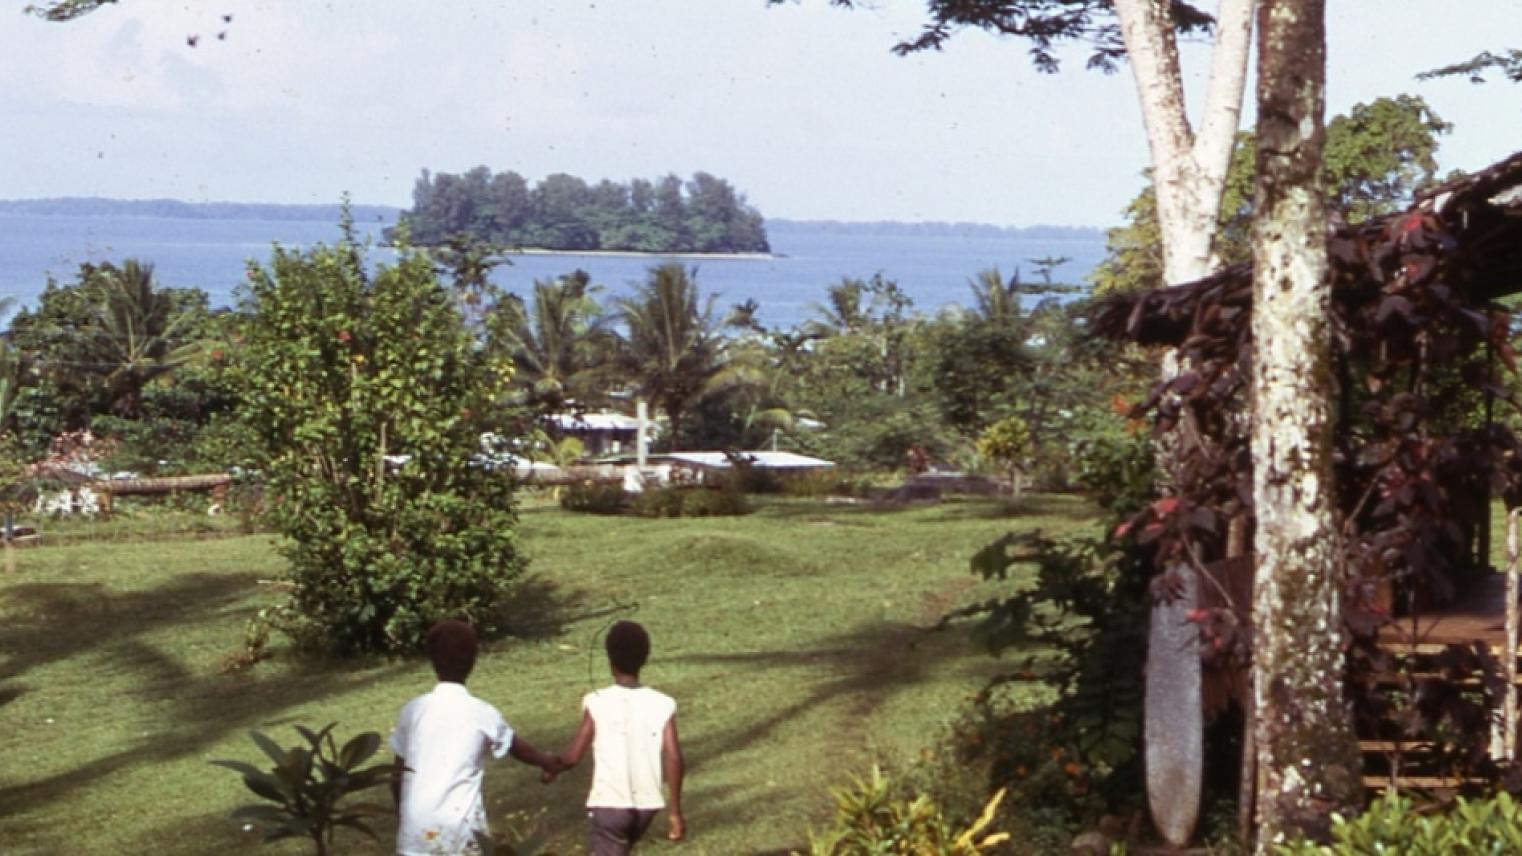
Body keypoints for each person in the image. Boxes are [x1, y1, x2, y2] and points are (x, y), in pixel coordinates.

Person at [390, 619, 561, 856]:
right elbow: (517, 747)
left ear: (432, 661)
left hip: (415, 835)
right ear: (472, 661)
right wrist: (548, 762)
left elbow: (397, 775)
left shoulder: (413, 711)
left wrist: (404, 815)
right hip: (463, 833)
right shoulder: (481, 712)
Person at [550, 620, 686, 855]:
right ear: (644, 658)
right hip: (647, 805)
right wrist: (674, 812)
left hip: (609, 805)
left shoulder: (596, 701)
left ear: (611, 661)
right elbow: (673, 756)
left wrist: (551, 766)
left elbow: (572, 757)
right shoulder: (663, 703)